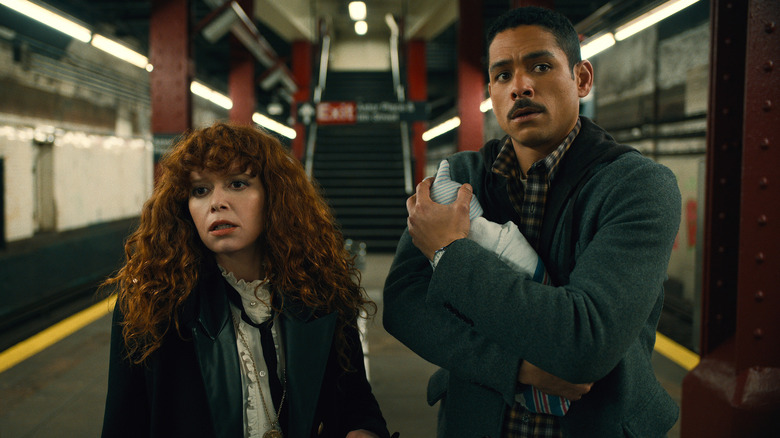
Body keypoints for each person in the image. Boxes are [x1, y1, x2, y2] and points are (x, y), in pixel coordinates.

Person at [383, 6, 681, 438]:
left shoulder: (638, 187)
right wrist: (515, 367)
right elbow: (404, 306)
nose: (519, 86)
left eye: (540, 66)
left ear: (581, 79)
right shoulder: (461, 178)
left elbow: (585, 341)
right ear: (491, 90)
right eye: (502, 75)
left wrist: (450, 253)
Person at [101, 122, 391, 438]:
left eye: (238, 184)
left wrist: (363, 431)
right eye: (200, 190)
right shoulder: (151, 304)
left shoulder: (321, 290)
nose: (217, 202)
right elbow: (123, 424)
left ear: (274, 196)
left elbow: (356, 402)